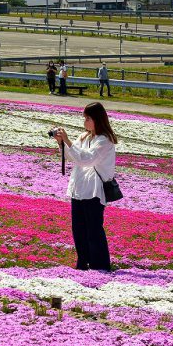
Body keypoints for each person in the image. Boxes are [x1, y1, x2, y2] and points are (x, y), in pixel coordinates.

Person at [50, 102, 116, 272]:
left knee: (94, 230)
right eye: (84, 118)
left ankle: (99, 265)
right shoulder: (84, 137)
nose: (85, 122)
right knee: (78, 230)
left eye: (88, 118)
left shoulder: (105, 141)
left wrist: (68, 141)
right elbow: (74, 157)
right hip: (79, 188)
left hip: (94, 190)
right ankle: (83, 263)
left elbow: (87, 159)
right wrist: (61, 144)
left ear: (97, 120)